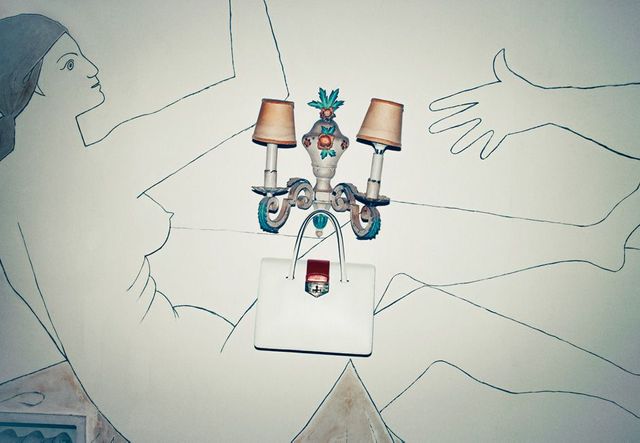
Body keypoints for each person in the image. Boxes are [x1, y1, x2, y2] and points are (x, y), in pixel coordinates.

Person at [1, 8, 639, 442]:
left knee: (414, 338)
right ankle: (595, 256)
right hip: (199, 393)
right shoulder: (92, 170)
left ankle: (595, 266)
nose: (92, 68)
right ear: (27, 85)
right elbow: (254, 81)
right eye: (69, 65)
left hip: (169, 385)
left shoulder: (29, 189)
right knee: (412, 304)